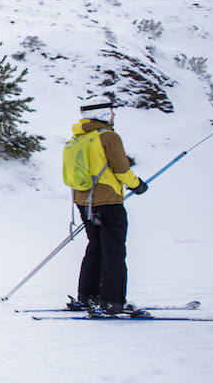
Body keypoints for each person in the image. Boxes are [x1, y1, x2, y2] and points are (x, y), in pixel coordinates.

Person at [68, 94, 149, 316]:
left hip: (84, 202)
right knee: (114, 251)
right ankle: (113, 301)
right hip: (108, 202)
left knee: (95, 247)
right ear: (102, 113)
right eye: (111, 111)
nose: (113, 115)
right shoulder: (108, 137)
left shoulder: (78, 138)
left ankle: (88, 295)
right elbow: (121, 170)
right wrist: (138, 186)